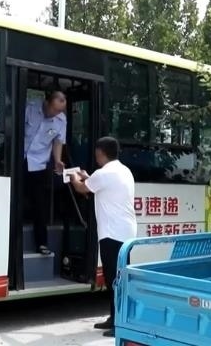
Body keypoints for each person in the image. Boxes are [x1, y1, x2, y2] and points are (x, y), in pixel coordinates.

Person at [69, 136, 136, 338]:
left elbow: (82, 188)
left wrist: (73, 176)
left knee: (114, 279)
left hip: (112, 234)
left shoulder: (104, 173)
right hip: (125, 232)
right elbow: (99, 184)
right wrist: (87, 176)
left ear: (100, 153)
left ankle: (119, 324)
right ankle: (115, 318)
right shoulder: (123, 170)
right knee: (118, 278)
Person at [23, 89, 67, 255]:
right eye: (54, 109)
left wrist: (57, 160)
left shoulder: (61, 120)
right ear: (46, 103)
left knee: (40, 204)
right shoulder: (30, 108)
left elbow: (58, 142)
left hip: (39, 163)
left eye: (59, 111)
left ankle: (41, 243)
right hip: (19, 159)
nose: (55, 113)